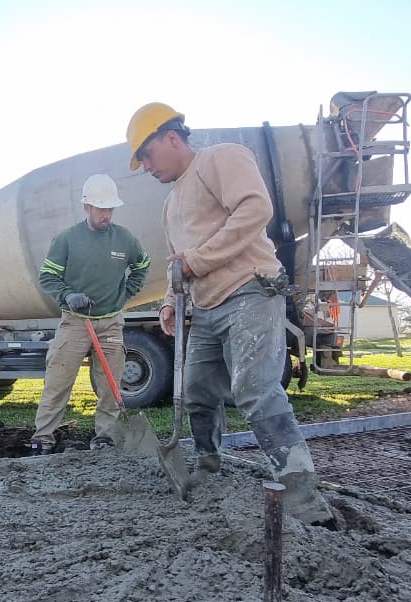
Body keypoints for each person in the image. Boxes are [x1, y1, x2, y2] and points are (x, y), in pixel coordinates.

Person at [126, 102, 335, 525]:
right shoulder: (170, 206)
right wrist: (169, 299)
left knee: (255, 389)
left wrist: (197, 261)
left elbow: (255, 210)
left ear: (171, 136)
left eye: (146, 154)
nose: (146, 165)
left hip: (249, 291)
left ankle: (304, 499)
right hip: (205, 308)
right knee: (198, 391)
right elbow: (178, 261)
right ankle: (208, 467)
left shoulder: (219, 159)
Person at [30, 173, 151, 454]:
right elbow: (47, 276)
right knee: (58, 380)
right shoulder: (67, 239)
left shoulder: (124, 239)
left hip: (110, 323)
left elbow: (143, 265)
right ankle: (43, 437)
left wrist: (127, 291)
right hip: (76, 322)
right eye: (101, 209)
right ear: (86, 207)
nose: (106, 214)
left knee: (110, 383)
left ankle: (105, 436)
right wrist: (67, 296)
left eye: (110, 209)